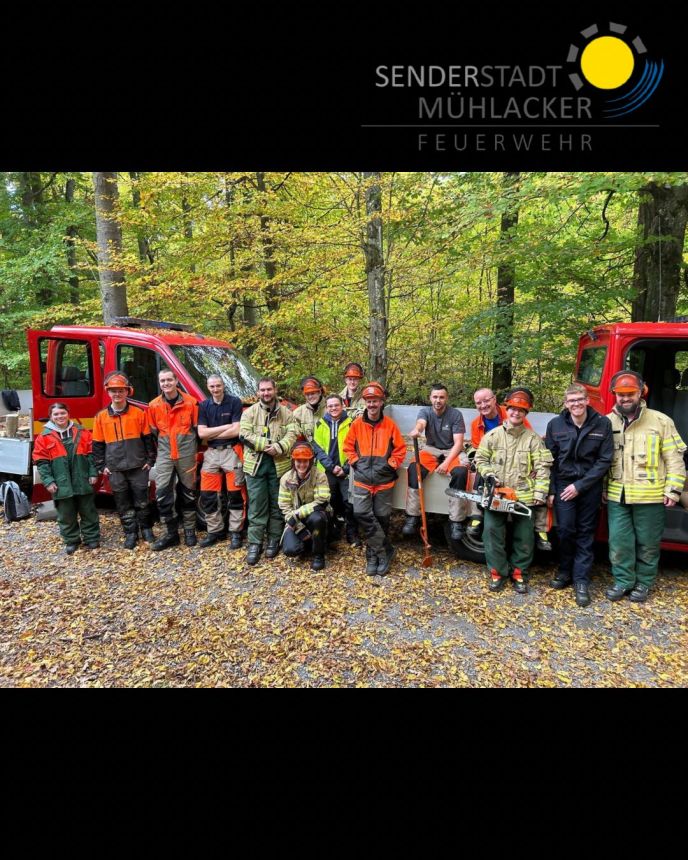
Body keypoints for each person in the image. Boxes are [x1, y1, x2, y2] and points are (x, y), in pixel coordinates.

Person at [604, 370, 686, 603]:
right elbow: (601, 460)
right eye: (621, 394)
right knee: (619, 542)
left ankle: (644, 583)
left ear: (642, 392)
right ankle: (623, 581)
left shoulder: (661, 421)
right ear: (615, 395)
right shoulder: (607, 422)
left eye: (630, 393)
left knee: (648, 543)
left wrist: (673, 489)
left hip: (651, 496)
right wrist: (601, 490)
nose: (625, 398)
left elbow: (674, 459)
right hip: (617, 494)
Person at [474, 388, 552, 594]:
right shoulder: (493, 436)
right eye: (513, 409)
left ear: (526, 413)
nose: (516, 413)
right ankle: (497, 572)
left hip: (524, 495)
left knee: (524, 537)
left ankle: (519, 573)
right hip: (498, 493)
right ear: (506, 409)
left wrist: (539, 495)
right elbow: (480, 458)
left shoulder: (534, 440)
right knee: (492, 533)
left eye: (521, 410)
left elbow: (543, 469)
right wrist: (489, 474)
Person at [545, 383, 613, 607]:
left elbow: (604, 461)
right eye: (571, 401)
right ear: (566, 404)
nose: (576, 404)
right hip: (564, 484)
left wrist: (581, 486)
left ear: (587, 401)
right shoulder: (555, 425)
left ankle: (581, 580)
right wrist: (552, 490)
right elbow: (550, 461)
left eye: (579, 400)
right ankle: (565, 572)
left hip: (589, 486)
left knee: (586, 532)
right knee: (565, 530)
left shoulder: (602, 423)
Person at [343, 381, 406, 576]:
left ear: (381, 402)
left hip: (384, 481)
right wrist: (356, 462)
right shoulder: (356, 425)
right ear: (365, 402)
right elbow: (347, 447)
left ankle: (373, 553)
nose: (372, 405)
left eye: (375, 401)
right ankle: (385, 550)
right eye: (369, 401)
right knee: (361, 513)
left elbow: (400, 450)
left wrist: (390, 465)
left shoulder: (390, 426)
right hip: (362, 480)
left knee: (381, 518)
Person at [92, 372, 156, 550]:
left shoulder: (139, 413)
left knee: (142, 501)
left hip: (138, 466)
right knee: (123, 503)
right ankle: (130, 533)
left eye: (121, 390)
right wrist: (101, 466)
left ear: (128, 392)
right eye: (113, 391)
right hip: (115, 468)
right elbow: (97, 444)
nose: (117, 394)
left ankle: (147, 529)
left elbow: (148, 439)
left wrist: (150, 460)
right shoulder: (101, 417)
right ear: (108, 392)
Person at [239, 377, 298, 565]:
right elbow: (244, 435)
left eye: (269, 390)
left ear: (275, 390)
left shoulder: (287, 414)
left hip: (279, 465)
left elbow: (293, 434)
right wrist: (266, 445)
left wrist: (279, 447)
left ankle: (274, 539)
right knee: (256, 505)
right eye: (262, 390)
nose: (266, 393)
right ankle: (255, 543)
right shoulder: (249, 413)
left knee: (277, 504)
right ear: (258, 393)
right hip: (255, 465)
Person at [402, 383, 469, 542]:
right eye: (435, 397)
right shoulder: (425, 411)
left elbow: (458, 443)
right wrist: (417, 430)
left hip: (452, 450)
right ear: (430, 398)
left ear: (446, 398)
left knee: (460, 472)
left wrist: (446, 463)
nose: (438, 400)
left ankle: (456, 521)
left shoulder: (455, 415)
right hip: (431, 448)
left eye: (441, 397)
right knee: (414, 468)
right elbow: (421, 423)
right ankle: (412, 516)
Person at [33, 402, 100, 554]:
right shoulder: (44, 437)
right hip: (60, 481)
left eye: (62, 413)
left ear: (68, 413)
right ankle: (71, 540)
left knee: (88, 510)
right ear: (51, 417)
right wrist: (48, 481)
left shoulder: (82, 432)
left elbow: (91, 455)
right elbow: (42, 462)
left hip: (82, 478)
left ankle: (91, 538)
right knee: (66, 513)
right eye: (56, 414)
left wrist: (93, 473)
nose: (60, 416)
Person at [148, 368, 200, 550]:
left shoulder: (191, 403)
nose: (166, 384)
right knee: (162, 494)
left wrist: (190, 449)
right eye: (163, 381)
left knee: (189, 493)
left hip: (186, 454)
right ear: (159, 383)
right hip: (165, 455)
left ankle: (189, 531)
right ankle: (170, 534)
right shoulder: (153, 405)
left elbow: (197, 431)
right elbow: (153, 433)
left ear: (176, 381)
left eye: (169, 380)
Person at [197, 374, 246, 549]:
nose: (215, 389)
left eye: (218, 386)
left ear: (223, 385)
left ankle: (235, 532)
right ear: (208, 387)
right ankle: (214, 531)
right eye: (212, 387)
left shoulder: (234, 402)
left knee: (235, 495)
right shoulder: (203, 406)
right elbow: (201, 434)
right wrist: (226, 427)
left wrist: (213, 432)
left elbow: (237, 431)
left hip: (231, 451)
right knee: (208, 495)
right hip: (211, 454)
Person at [312, 393, 360, 546]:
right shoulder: (320, 424)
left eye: (336, 405)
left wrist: (345, 468)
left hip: (347, 470)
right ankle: (333, 530)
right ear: (326, 408)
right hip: (327, 470)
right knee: (330, 501)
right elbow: (318, 448)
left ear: (342, 406)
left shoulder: (352, 424)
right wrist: (332, 467)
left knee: (349, 502)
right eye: (330, 406)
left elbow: (357, 447)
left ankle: (352, 534)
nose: (333, 408)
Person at [278, 442, 331, 571]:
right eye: (299, 461)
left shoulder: (320, 476)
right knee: (291, 550)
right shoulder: (286, 479)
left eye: (305, 461)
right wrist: (299, 529)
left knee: (317, 519)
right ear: (293, 461)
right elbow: (284, 507)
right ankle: (308, 542)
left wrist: (298, 513)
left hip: (316, 515)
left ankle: (318, 554)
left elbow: (322, 501)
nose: (302, 465)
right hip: (296, 521)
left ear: (310, 461)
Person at [292, 376, 326, 441]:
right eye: (307, 394)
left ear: (319, 392)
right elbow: (293, 436)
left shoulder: (332, 408)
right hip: (308, 449)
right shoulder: (298, 413)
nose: (310, 397)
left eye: (313, 393)